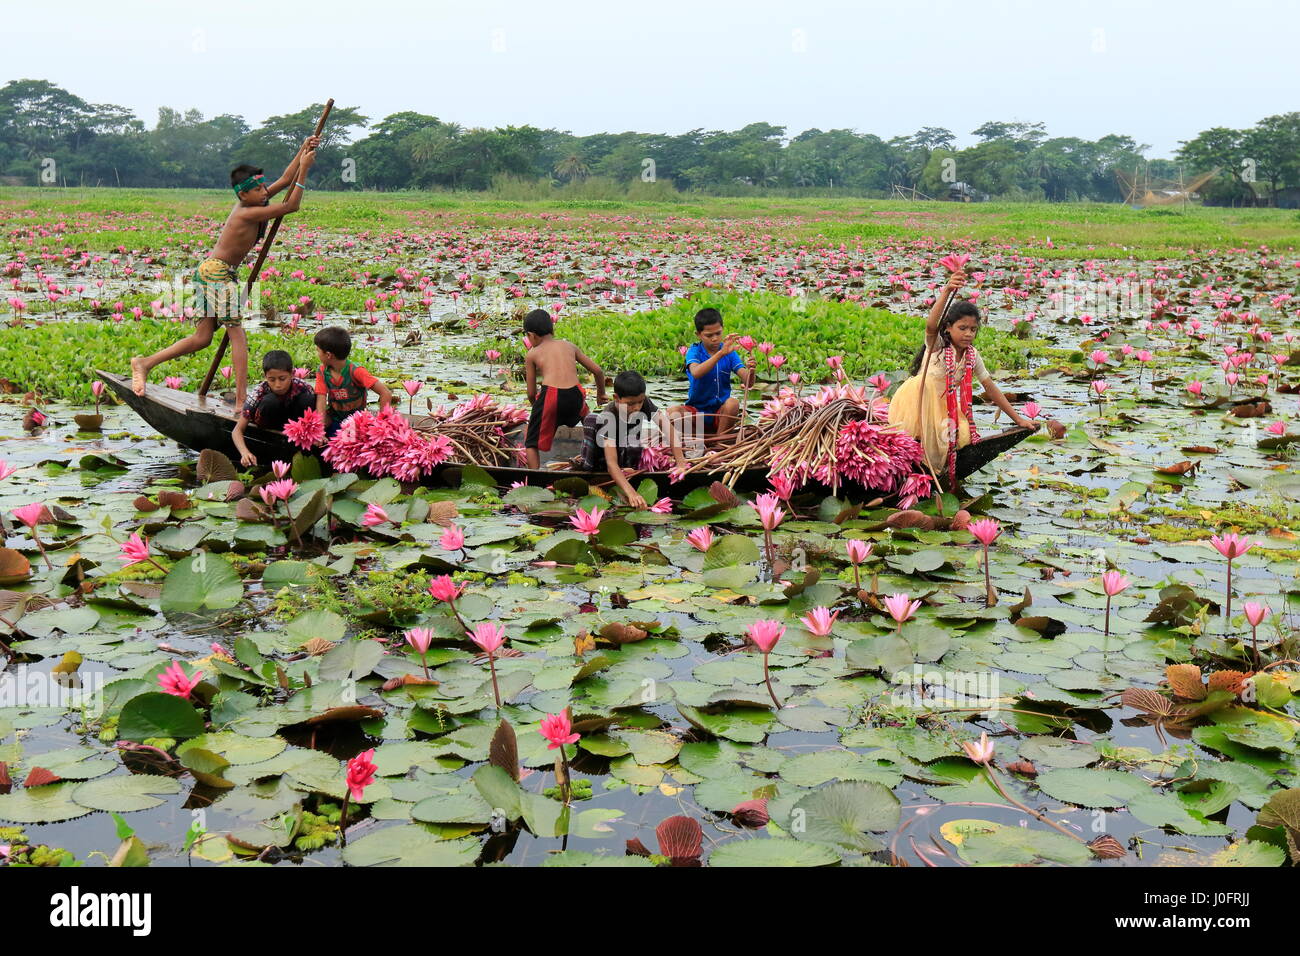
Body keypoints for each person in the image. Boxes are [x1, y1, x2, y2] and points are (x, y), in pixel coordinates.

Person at [130, 135, 321, 408]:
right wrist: (305, 168)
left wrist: (305, 148)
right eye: (258, 190)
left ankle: (144, 363)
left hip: (213, 271)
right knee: (237, 332)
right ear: (243, 195)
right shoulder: (246, 211)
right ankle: (243, 400)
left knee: (202, 338)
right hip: (217, 272)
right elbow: (292, 205)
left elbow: (286, 179)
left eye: (264, 186)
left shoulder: (256, 202)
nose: (265, 191)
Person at [888, 268, 1064, 486]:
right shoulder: (938, 346)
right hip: (920, 400)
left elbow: (990, 387)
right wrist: (947, 291)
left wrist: (1018, 419)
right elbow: (931, 325)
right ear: (949, 328)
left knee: (960, 439)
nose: (968, 334)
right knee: (923, 443)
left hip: (947, 406)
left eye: (973, 329)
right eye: (962, 328)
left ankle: (939, 475)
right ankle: (917, 475)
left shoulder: (972, 355)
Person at [581, 371, 689, 507]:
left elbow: (668, 428)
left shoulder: (642, 402)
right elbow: (611, 464)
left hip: (626, 447)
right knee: (592, 420)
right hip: (604, 454)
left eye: (640, 402)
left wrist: (681, 464)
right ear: (616, 398)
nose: (637, 407)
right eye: (630, 404)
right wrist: (632, 493)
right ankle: (588, 466)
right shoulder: (609, 416)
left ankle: (628, 465)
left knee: (635, 442)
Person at [523, 309, 606, 469]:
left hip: (552, 396)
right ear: (552, 329)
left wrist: (537, 411)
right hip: (575, 394)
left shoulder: (532, 354)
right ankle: (597, 458)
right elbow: (598, 371)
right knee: (588, 420)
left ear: (531, 335)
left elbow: (531, 393)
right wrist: (601, 394)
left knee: (531, 442)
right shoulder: (569, 345)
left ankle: (534, 477)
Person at [670, 307, 755, 444]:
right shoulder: (694, 351)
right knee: (673, 412)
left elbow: (748, 382)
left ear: (722, 329)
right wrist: (720, 353)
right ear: (698, 334)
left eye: (718, 333)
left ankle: (718, 442)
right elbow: (696, 372)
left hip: (720, 414)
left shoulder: (730, 353)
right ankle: (696, 441)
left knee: (733, 403)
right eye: (709, 335)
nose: (715, 339)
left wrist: (751, 370)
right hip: (696, 412)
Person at [232, 350, 316, 467]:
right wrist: (244, 452)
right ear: (265, 376)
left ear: (292, 374)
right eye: (272, 380)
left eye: (282, 379)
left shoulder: (304, 387)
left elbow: (319, 415)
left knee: (308, 399)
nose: (277, 385)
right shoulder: (259, 392)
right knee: (271, 402)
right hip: (268, 422)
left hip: (296, 424)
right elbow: (237, 431)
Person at [313, 326, 393, 438]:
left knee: (347, 442)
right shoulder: (322, 371)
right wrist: (320, 430)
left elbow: (385, 393)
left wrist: (383, 423)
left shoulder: (356, 371)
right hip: (335, 419)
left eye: (318, 351)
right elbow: (321, 399)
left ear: (328, 355)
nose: (317, 354)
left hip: (356, 422)